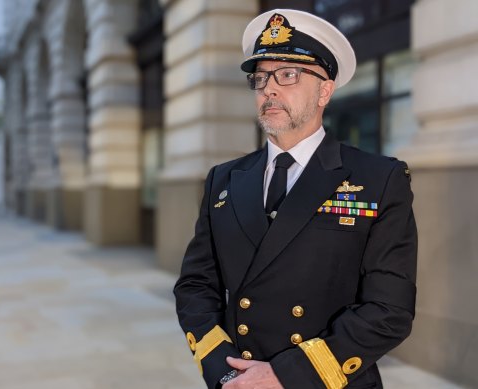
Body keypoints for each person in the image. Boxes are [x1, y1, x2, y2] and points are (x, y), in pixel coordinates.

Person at [174, 8, 417, 389]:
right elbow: (195, 285)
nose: (269, 88)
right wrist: (224, 368)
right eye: (261, 77)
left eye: (287, 75)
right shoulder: (224, 179)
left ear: (325, 90)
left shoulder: (378, 179)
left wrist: (286, 375)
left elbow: (390, 310)